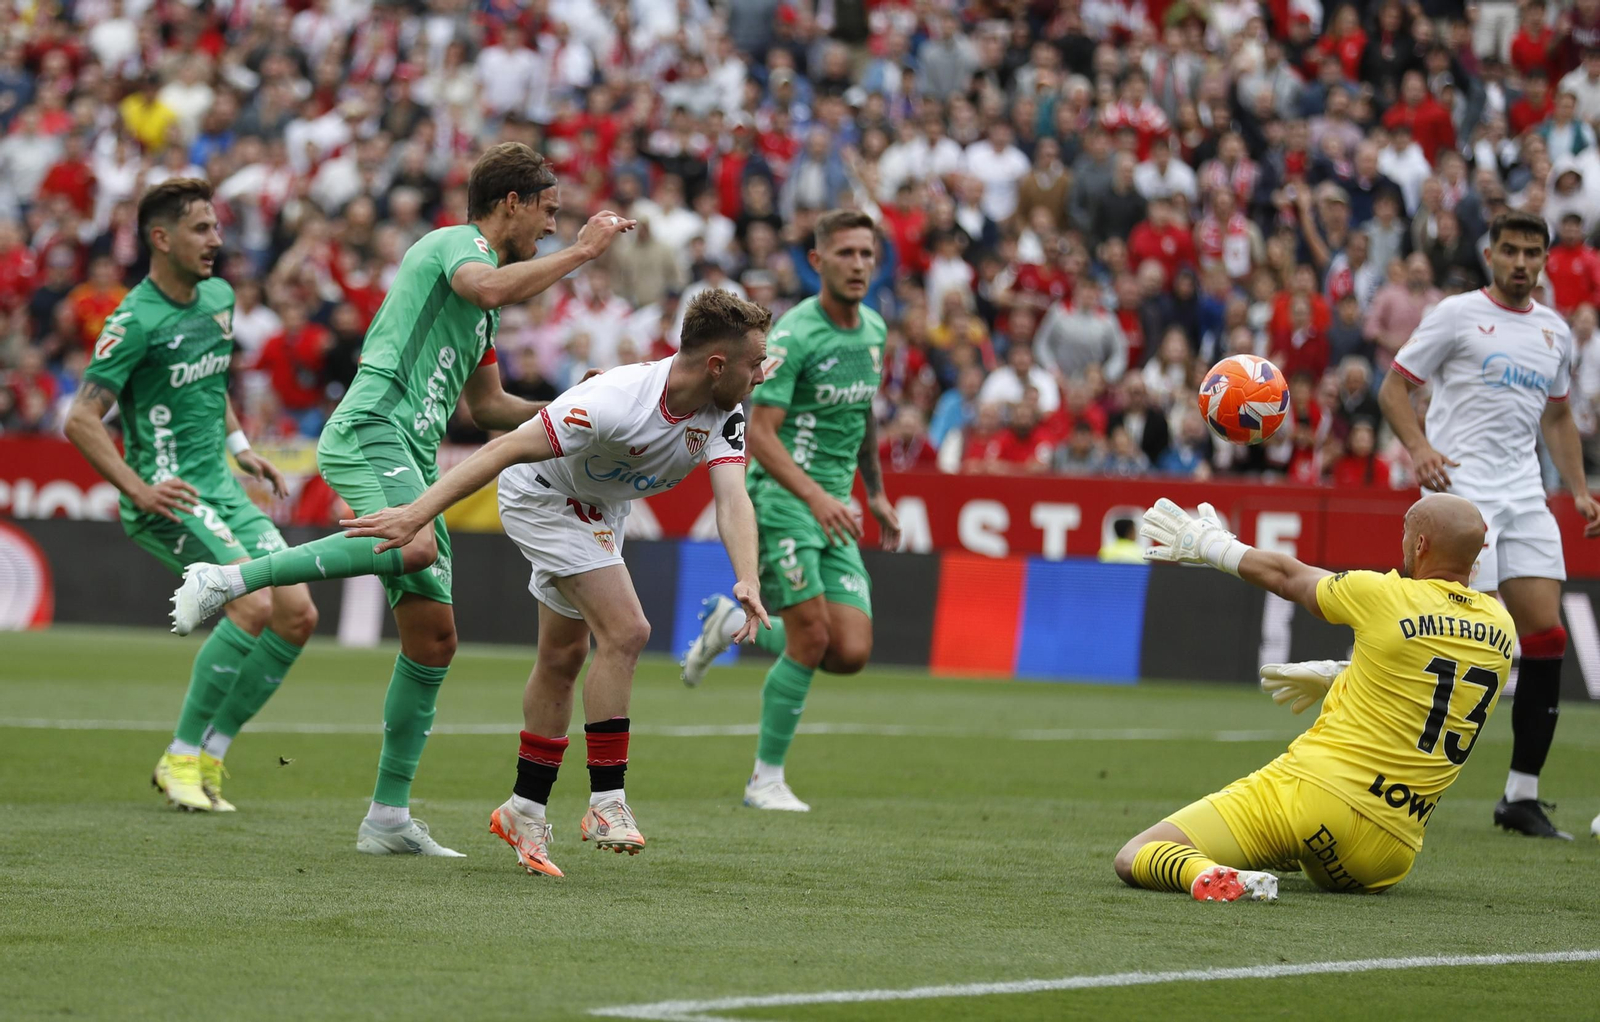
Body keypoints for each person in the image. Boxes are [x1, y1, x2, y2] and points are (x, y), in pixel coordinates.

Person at [166, 143, 636, 855]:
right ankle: (228, 578)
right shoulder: (456, 247)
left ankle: (386, 819)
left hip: (413, 461)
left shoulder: (481, 311)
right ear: (511, 202)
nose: (551, 224)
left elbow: (490, 407)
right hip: (372, 431)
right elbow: (485, 286)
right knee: (413, 544)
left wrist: (581, 401)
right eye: (547, 209)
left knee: (434, 640)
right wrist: (582, 253)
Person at [337, 289, 774, 878]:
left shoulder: (724, 408)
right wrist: (415, 513)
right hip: (542, 496)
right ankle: (606, 802)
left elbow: (732, 497)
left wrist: (745, 576)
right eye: (752, 365)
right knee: (627, 630)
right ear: (717, 365)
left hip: (602, 507)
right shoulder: (614, 401)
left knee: (563, 656)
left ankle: (523, 808)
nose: (759, 377)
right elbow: (505, 448)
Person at [1116, 493, 1513, 901]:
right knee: (1297, 848)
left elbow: (1290, 578)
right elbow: (1429, 687)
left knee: (1136, 854)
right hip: (1386, 856)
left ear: (1420, 545)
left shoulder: (1384, 595)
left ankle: (1205, 874)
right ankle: (1258, 861)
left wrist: (1211, 545)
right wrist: (1338, 676)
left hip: (1315, 800)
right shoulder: (1502, 628)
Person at [63, 179, 317, 814]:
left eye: (216, 226)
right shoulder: (134, 320)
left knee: (298, 614)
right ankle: (179, 754)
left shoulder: (221, 298)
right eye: (201, 229)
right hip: (171, 494)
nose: (216, 240)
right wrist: (138, 487)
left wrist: (240, 447)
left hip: (224, 486)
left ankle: (210, 755)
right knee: (252, 605)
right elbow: (80, 419)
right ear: (161, 238)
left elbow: (212, 384)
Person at [1378, 210, 1600, 840]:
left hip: (1525, 494)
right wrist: (1419, 448)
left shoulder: (1555, 332)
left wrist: (1580, 490)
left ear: (1545, 260)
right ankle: (1389, 772)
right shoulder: (1454, 314)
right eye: (1511, 250)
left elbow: (1556, 420)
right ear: (1491, 253)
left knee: (1547, 636)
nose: (1522, 262)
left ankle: (1520, 797)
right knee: (1446, 631)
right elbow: (1395, 388)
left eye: (1533, 252)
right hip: (1461, 490)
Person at [678, 209, 902, 812]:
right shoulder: (795, 335)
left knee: (850, 652)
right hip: (786, 499)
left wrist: (874, 490)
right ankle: (765, 780)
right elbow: (762, 436)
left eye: (867, 254)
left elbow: (862, 413)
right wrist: (818, 497)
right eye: (846, 253)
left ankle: (729, 624)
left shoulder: (875, 331)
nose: (858, 265)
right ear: (818, 260)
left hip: (835, 505)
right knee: (811, 636)